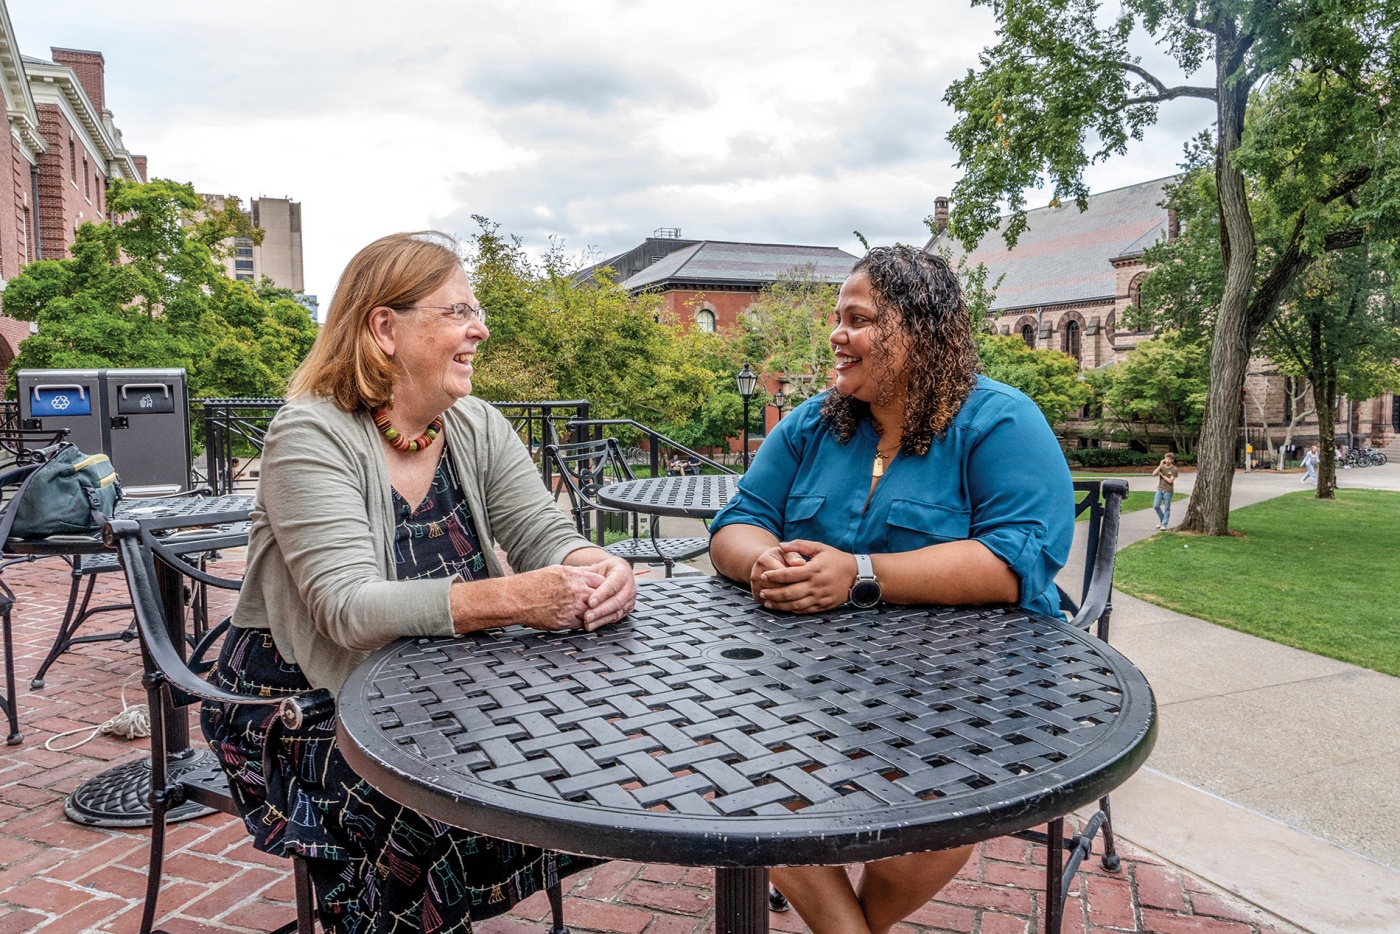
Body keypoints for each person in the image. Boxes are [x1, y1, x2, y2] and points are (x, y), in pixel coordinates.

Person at [200, 231, 637, 933]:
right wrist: (516, 598)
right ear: (384, 328)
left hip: (441, 689)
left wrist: (598, 568)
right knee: (428, 809)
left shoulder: (476, 424)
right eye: (457, 310)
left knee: (584, 760)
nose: (481, 328)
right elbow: (348, 612)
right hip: (302, 700)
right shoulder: (309, 434)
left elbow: (545, 538)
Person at [709, 245, 1074, 934]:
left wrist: (861, 574)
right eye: (836, 319)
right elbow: (737, 522)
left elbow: (1017, 559)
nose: (836, 336)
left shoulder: (1000, 421)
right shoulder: (817, 422)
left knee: (940, 819)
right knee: (739, 767)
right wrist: (762, 561)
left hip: (963, 691)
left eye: (859, 319)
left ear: (920, 329)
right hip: (807, 683)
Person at [1151, 452, 1179, 530]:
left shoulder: (1174, 469)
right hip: (1160, 489)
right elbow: (1153, 474)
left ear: (1172, 460)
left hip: (1168, 491)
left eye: (1169, 459)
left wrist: (1162, 475)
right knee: (1156, 506)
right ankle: (1162, 521)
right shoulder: (1162, 467)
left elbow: (1170, 481)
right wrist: (1160, 465)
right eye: (1166, 458)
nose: (1167, 460)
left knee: (1167, 508)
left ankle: (1164, 524)